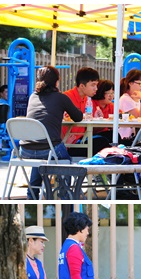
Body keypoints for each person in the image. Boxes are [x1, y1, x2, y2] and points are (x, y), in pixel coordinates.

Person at [22, 66, 83, 199]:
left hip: (25, 149)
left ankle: (32, 195)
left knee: (40, 156)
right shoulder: (61, 98)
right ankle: (64, 196)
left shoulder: (33, 97)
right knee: (65, 161)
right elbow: (78, 117)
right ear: (57, 81)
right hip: (49, 149)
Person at [63, 67, 110, 156]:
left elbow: (90, 126)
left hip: (83, 138)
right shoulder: (67, 98)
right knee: (102, 141)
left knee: (111, 135)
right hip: (70, 143)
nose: (96, 88)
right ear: (82, 86)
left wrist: (96, 118)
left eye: (96, 85)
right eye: (93, 85)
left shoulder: (87, 100)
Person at [118, 69, 141, 143]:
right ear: (130, 83)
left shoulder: (139, 97)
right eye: (139, 83)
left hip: (137, 135)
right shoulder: (125, 99)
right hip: (127, 138)